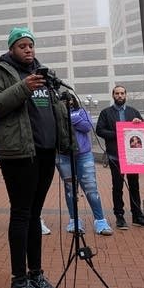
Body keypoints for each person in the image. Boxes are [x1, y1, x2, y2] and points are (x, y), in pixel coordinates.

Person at [0, 27, 71, 288]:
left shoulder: (44, 74)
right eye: (21, 46)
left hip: (45, 152)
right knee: (21, 214)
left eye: (30, 45)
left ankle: (36, 275)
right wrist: (23, 87)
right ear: (11, 49)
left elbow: (50, 109)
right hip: (19, 154)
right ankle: (18, 282)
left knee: (35, 214)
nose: (28, 50)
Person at [95, 85, 144, 230]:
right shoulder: (106, 113)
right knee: (118, 187)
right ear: (113, 95)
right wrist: (118, 134)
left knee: (134, 186)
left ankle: (137, 215)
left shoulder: (133, 111)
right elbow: (99, 130)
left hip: (133, 157)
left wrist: (139, 123)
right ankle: (119, 216)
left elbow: (143, 131)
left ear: (125, 95)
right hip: (115, 156)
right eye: (117, 93)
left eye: (122, 93)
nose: (120, 96)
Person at [56, 93, 113, 236]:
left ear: (73, 101)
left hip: (84, 155)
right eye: (62, 101)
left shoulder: (81, 112)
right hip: (63, 155)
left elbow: (87, 126)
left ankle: (100, 221)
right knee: (70, 190)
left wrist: (70, 118)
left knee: (91, 188)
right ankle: (74, 221)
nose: (66, 103)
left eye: (68, 100)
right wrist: (74, 120)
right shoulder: (55, 114)